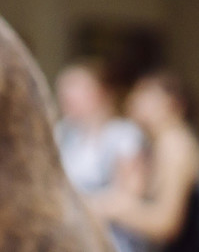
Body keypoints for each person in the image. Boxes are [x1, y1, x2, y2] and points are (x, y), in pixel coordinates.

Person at [93, 70, 199, 252]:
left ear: (172, 103)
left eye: (145, 95)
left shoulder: (176, 145)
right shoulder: (155, 144)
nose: (133, 100)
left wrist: (115, 209)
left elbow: (167, 224)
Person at [55, 60, 149, 252]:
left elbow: (130, 195)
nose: (67, 96)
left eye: (75, 88)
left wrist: (78, 208)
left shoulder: (123, 135)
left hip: (111, 240)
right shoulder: (63, 133)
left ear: (99, 92)